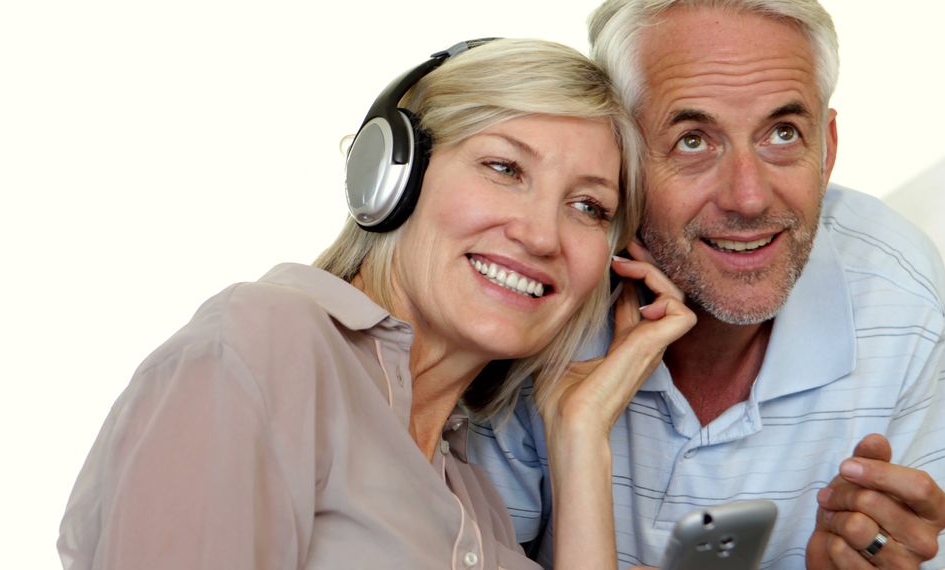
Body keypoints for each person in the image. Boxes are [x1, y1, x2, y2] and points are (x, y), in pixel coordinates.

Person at [56, 38, 696, 569]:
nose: (540, 235)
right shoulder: (265, 346)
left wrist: (579, 436)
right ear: (393, 176)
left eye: (588, 207)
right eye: (504, 169)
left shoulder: (472, 495)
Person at [468, 2, 945, 569]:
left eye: (782, 133)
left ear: (826, 149)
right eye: (693, 141)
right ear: (620, 157)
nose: (748, 198)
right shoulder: (533, 287)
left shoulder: (900, 292)